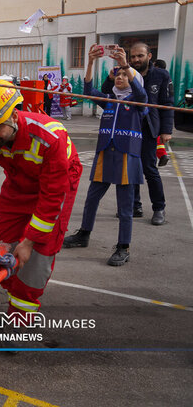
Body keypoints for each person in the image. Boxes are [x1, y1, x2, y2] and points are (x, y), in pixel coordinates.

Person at [0, 80, 82, 316]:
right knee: (2, 245)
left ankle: (21, 316)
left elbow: (52, 197)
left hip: (60, 182)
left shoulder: (49, 137)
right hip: (18, 182)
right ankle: (13, 289)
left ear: (14, 116)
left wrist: (30, 241)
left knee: (38, 255)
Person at [63, 45, 146, 266]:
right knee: (91, 199)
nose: (120, 77)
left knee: (125, 207)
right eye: (117, 74)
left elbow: (142, 94)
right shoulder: (109, 99)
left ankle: (123, 247)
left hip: (127, 157)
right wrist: (90, 62)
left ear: (133, 78)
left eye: (125, 75)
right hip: (104, 155)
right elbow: (88, 90)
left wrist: (126, 64)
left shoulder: (139, 103)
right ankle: (83, 234)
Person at [101, 43, 173, 225]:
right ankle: (135, 206)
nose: (136, 60)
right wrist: (111, 78)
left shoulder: (161, 75)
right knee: (130, 167)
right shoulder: (124, 71)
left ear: (149, 56)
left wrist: (166, 130)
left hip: (149, 129)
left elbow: (167, 103)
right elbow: (105, 93)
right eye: (132, 56)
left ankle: (159, 208)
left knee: (149, 169)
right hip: (128, 127)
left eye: (140, 56)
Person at [152, 59, 170, 167]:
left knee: (156, 136)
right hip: (158, 114)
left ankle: (162, 155)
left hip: (156, 113)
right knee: (158, 138)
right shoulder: (166, 76)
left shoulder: (162, 77)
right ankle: (162, 154)